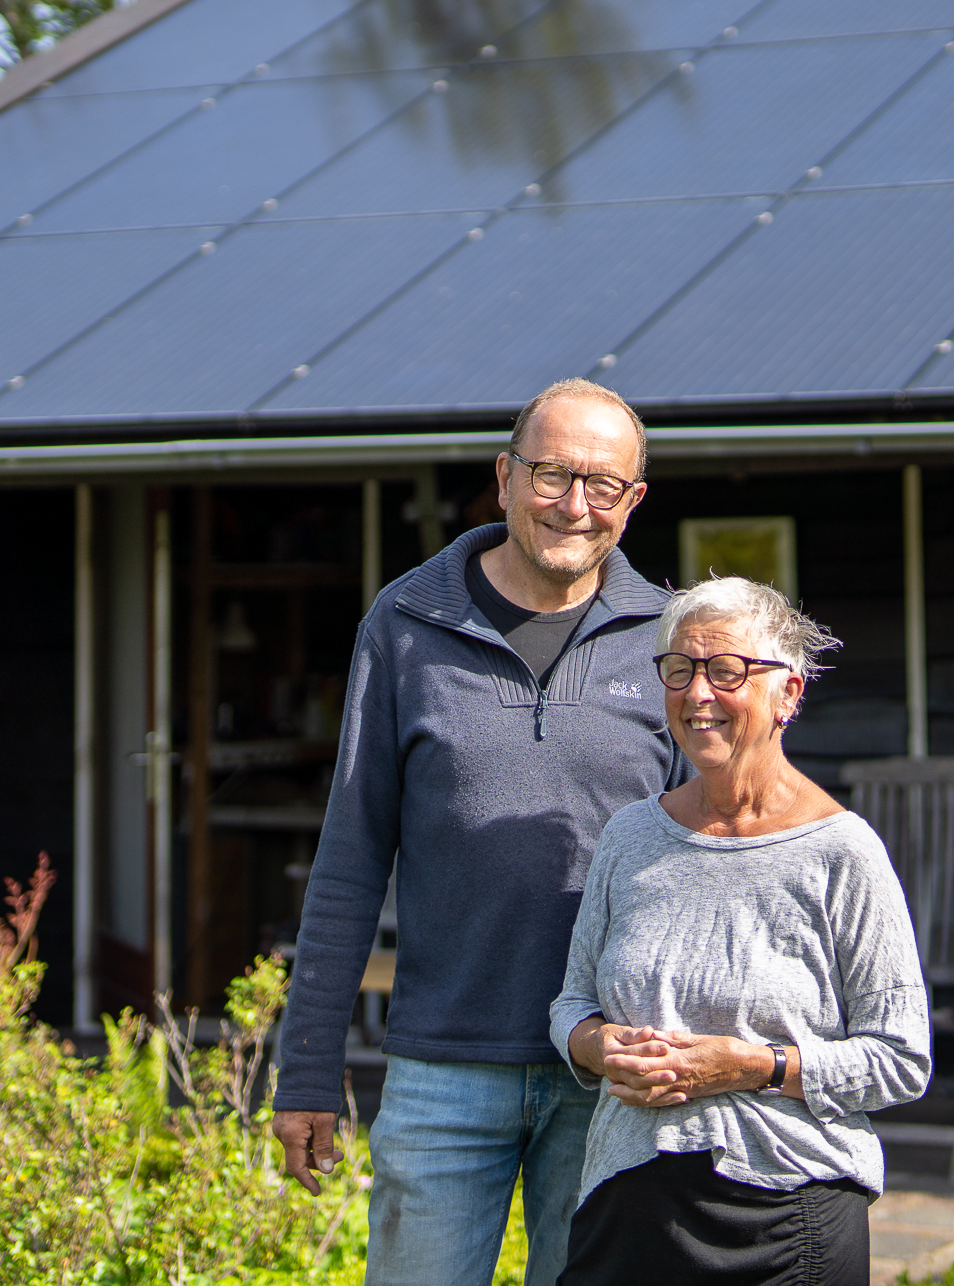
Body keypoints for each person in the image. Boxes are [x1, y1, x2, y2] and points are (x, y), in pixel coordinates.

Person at [273, 378, 688, 1286]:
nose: (574, 505)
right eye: (550, 474)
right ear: (504, 476)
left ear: (634, 499)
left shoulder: (670, 641)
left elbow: (715, 855)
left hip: (610, 1076)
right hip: (441, 1069)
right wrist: (307, 1070)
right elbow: (348, 863)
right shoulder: (407, 624)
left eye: (602, 483)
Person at [548, 576, 930, 1285]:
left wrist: (755, 1065)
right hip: (628, 1203)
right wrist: (599, 1046)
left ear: (788, 693)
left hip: (788, 1214)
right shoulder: (631, 836)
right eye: (680, 669)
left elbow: (900, 1059)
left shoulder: (841, 852)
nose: (698, 694)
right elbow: (571, 1002)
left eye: (727, 671)